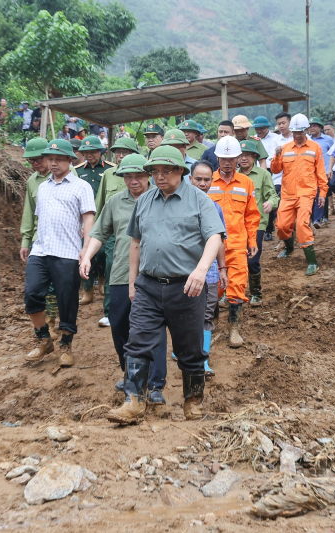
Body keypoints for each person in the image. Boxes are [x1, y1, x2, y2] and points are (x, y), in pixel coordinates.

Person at [105, 145, 224, 425]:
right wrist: (132, 282)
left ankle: (193, 401)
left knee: (190, 348)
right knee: (137, 342)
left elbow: (215, 237)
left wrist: (201, 271)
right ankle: (134, 401)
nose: (160, 176)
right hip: (148, 286)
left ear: (180, 170)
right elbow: (135, 243)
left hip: (186, 287)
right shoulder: (145, 201)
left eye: (166, 170)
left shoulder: (199, 200)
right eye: (155, 171)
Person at [81, 154, 168, 393]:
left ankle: (155, 385)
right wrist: (87, 256)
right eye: (128, 176)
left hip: (153, 274)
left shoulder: (162, 198)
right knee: (119, 324)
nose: (133, 181)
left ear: (148, 175)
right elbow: (100, 232)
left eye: (138, 175)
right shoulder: (115, 202)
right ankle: (130, 372)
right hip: (120, 273)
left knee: (154, 329)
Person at [24, 139, 95, 367]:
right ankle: (43, 338)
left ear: (70, 160)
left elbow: (88, 219)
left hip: (67, 252)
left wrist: (86, 249)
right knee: (32, 293)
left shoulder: (81, 187)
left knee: (67, 301)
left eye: (58, 159)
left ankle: (66, 344)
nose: (53, 163)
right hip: (40, 250)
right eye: (50, 159)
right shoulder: (42, 187)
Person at [173, 161, 228, 377]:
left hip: (210, 272)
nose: (203, 184)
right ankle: (182, 348)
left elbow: (219, 240)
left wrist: (222, 268)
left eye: (207, 180)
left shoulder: (215, 208)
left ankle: (202, 360)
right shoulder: (177, 205)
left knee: (206, 315)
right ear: (190, 179)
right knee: (181, 313)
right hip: (181, 271)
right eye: (198, 179)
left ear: (212, 181)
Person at [207, 136, 260, 348]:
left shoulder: (246, 183)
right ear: (217, 158)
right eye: (223, 158)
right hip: (211, 244)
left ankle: (234, 328)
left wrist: (252, 240)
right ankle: (212, 319)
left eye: (231, 158)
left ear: (238, 158)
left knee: (237, 285)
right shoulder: (208, 181)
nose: (227, 162)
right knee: (213, 287)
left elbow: (251, 215)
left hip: (237, 244)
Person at [93, 136, 141, 328]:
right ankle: (109, 311)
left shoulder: (150, 185)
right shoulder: (108, 175)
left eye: (125, 152)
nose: (121, 156)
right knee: (112, 266)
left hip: (141, 243)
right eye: (118, 152)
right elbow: (101, 204)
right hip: (116, 233)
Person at [271, 113, 327, 276]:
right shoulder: (285, 148)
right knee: (281, 226)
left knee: (302, 225)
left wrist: (322, 192)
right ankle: (289, 247)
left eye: (300, 132)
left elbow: (321, 172)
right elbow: (275, 170)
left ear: (306, 130)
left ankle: (312, 262)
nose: (297, 135)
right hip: (288, 194)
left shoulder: (315, 148)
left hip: (306, 193)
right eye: (294, 132)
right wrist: (277, 156)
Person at [19, 138, 60, 338]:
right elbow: (29, 212)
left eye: (39, 159)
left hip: (62, 238)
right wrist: (25, 241)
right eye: (31, 161)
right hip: (40, 238)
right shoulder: (32, 182)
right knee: (35, 286)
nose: (35, 164)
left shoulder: (66, 173)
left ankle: (52, 323)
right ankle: (43, 326)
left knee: (55, 285)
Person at [74, 136, 115, 312]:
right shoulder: (77, 171)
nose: (90, 155)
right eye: (86, 153)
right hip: (85, 220)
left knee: (103, 253)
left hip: (103, 218)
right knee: (85, 253)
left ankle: (103, 280)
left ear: (101, 152)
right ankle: (87, 290)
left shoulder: (110, 170)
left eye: (93, 152)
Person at [237, 140, 278, 307]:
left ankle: (255, 292)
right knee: (234, 259)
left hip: (257, 224)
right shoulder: (233, 174)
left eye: (248, 155)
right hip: (236, 224)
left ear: (254, 157)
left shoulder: (263, 174)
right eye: (241, 155)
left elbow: (273, 195)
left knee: (252, 259)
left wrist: (270, 203)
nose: (244, 158)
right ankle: (233, 292)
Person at [264, 112, 293, 241]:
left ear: (290, 123)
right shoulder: (275, 141)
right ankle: (274, 232)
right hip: (278, 180)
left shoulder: (297, 138)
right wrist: (277, 155)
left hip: (296, 180)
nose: (281, 126)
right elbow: (272, 162)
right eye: (279, 123)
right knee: (277, 206)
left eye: (283, 123)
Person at [308, 117, 335, 228]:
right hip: (310, 173)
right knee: (312, 196)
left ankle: (318, 218)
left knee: (322, 194)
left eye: (314, 126)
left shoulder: (328, 140)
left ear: (320, 127)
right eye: (310, 126)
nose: (312, 128)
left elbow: (334, 154)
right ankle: (313, 217)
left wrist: (331, 169)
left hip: (323, 172)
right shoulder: (307, 140)